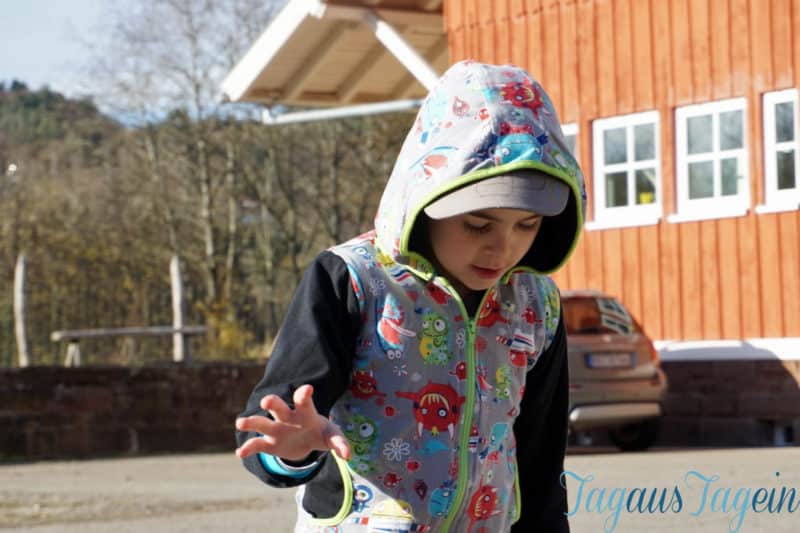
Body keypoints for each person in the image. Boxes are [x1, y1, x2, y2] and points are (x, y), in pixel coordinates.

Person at [235, 60, 585, 533]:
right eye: (478, 224)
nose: (503, 247)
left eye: (527, 225)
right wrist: (291, 454)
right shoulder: (354, 279)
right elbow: (280, 417)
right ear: (423, 201)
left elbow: (541, 455)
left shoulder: (535, 305)